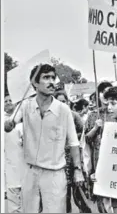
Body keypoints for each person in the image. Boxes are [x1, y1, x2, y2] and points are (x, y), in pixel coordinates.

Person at [4, 64, 84, 213]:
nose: (51, 81)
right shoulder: (25, 106)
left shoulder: (63, 109)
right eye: (46, 77)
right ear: (34, 83)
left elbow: (74, 143)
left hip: (55, 173)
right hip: (30, 171)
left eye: (53, 77)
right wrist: (8, 124)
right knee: (29, 211)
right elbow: (9, 125)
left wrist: (78, 170)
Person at [54, 90, 85, 213]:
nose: (62, 103)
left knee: (79, 191)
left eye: (64, 101)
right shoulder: (51, 116)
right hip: (59, 159)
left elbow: (83, 132)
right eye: (59, 101)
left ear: (67, 102)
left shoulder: (73, 115)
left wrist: (72, 137)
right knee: (63, 192)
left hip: (74, 157)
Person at [83, 81, 113, 204]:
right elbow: (87, 139)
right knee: (101, 191)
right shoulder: (93, 115)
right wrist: (95, 128)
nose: (106, 96)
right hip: (98, 156)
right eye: (103, 92)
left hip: (115, 156)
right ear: (99, 95)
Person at [4, 94, 25, 213]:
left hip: (24, 166)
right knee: (14, 206)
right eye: (5, 101)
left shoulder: (22, 122)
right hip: (10, 167)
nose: (8, 102)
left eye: (10, 100)